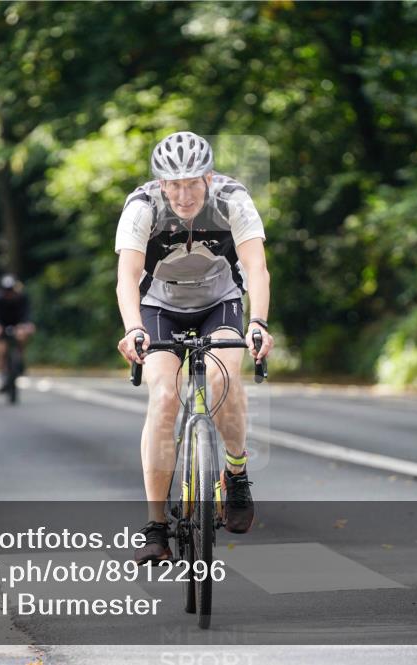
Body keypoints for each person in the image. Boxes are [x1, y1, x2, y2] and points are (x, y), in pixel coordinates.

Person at [114, 131, 274, 565]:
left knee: (225, 378)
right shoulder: (142, 206)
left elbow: (256, 267)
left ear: (208, 177)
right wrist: (133, 329)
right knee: (164, 396)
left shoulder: (232, 199)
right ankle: (155, 527)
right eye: (174, 183)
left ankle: (236, 474)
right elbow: (127, 277)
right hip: (159, 307)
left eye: (192, 182)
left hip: (219, 302)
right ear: (161, 183)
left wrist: (257, 321)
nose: (183, 194)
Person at [0, 274, 36, 392]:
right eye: (6, 291)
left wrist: (27, 325)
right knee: (0, 350)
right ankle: (2, 376)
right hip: (3, 325)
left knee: (22, 336)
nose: (9, 293)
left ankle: (20, 360)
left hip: (19, 324)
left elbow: (27, 314)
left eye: (10, 290)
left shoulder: (22, 298)